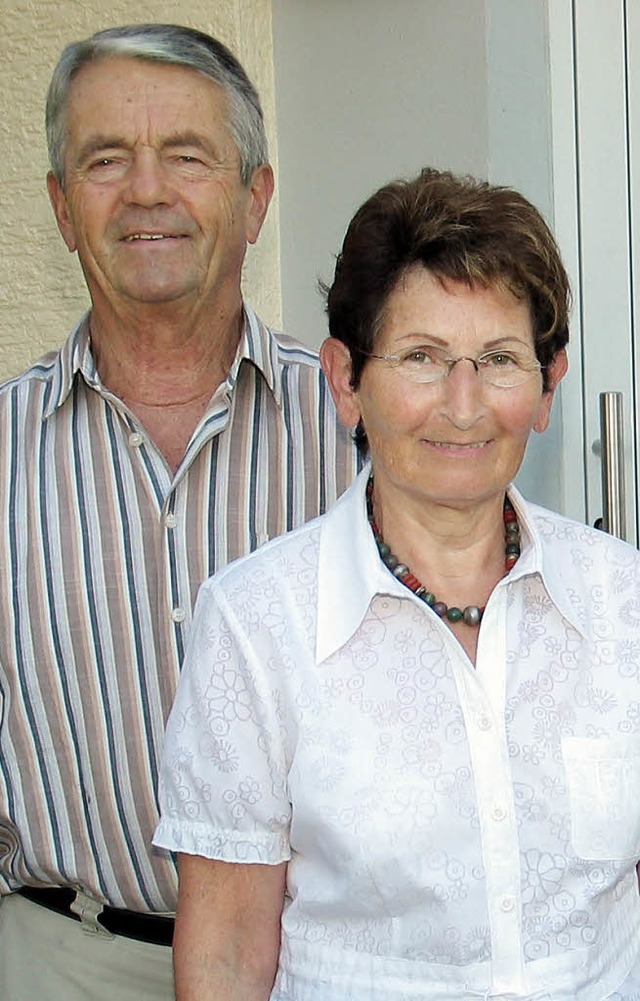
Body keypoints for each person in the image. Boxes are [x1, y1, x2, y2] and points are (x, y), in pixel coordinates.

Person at [155, 167, 640, 1001]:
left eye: (498, 359)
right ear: (346, 380)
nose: (462, 405)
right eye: (422, 358)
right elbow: (228, 954)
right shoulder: (256, 623)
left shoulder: (624, 602)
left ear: (547, 386)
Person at [0, 23, 358, 1001]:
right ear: (63, 207)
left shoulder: (363, 432)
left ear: (255, 198)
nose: (147, 191)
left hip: (318, 960)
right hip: (60, 958)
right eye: (106, 160)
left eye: (187, 157)